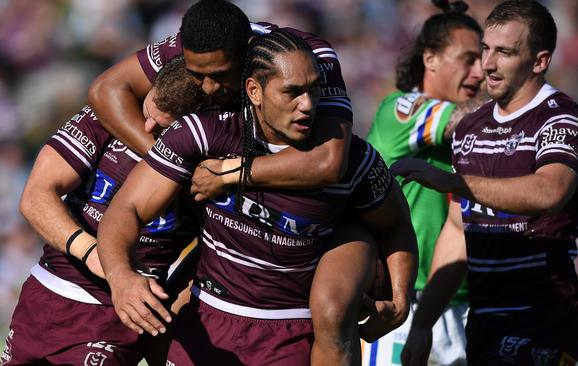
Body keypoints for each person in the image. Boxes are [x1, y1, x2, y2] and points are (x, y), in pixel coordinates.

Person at [89, 1, 413, 363]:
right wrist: (172, 163)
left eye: (310, 91)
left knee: (333, 309)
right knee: (171, 306)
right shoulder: (203, 120)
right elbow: (107, 92)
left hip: (290, 318)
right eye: (199, 76)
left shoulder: (319, 70)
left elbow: (331, 164)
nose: (209, 88)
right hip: (216, 302)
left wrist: (227, 172)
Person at [392, 1, 578, 364]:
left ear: (540, 61)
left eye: (504, 53)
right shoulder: (471, 128)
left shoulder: (560, 119)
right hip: (483, 322)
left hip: (547, 322)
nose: (487, 65)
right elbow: (459, 231)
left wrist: (454, 182)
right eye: (485, 50)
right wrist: (423, 324)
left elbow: (550, 191)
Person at [0, 57, 206, 366]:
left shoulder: (209, 165)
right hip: (44, 294)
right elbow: (35, 197)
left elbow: (217, 245)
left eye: (162, 126)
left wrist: (169, 296)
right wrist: (102, 260)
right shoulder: (108, 116)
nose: (146, 127)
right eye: (149, 110)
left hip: (116, 316)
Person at [362, 1, 484, 364]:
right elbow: (469, 121)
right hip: (405, 304)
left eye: (485, 60)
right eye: (468, 59)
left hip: (465, 304)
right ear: (430, 58)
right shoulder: (401, 109)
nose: (481, 72)